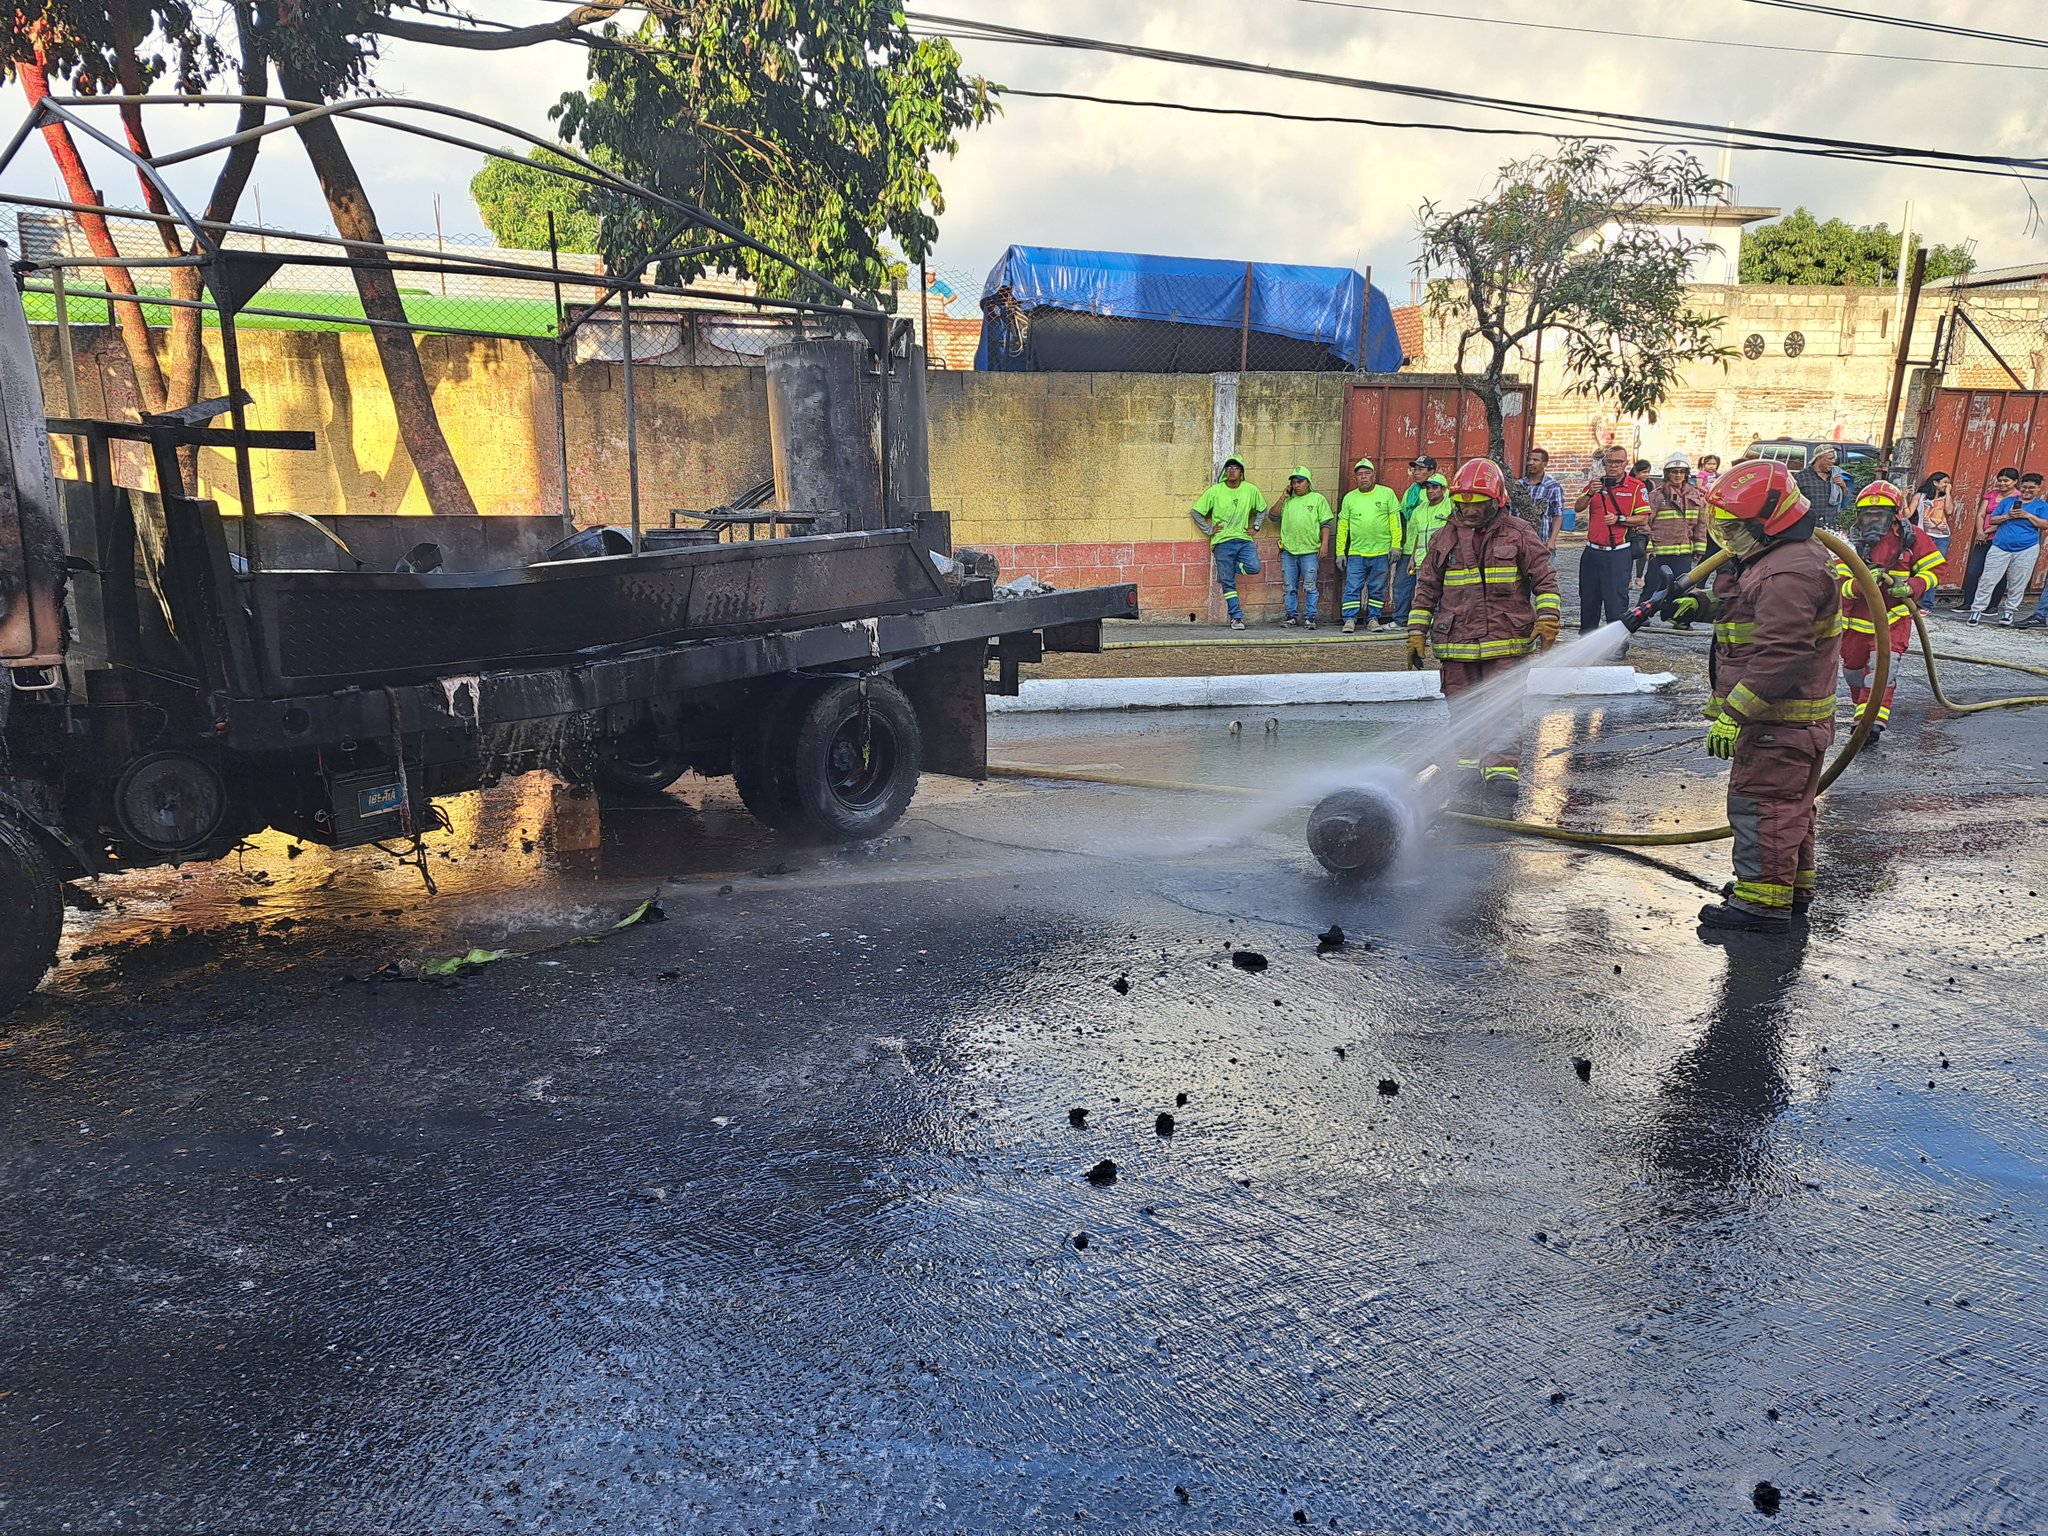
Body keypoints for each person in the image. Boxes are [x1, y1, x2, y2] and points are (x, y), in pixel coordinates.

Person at [1657, 460, 1842, 932]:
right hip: (1783, 720)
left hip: (1779, 720)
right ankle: (1786, 890)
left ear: (1768, 523)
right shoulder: (1775, 559)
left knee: (1764, 804)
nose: (1727, 535)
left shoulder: (1789, 573)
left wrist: (1734, 713)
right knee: (1788, 806)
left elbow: (1783, 651)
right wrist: (1700, 605)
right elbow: (1751, 610)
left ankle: (1759, 906)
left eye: (1735, 527)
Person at [1405, 457, 1560, 795]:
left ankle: (1501, 770)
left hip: (1505, 641)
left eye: (1477, 506)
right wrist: (1416, 631)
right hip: (1456, 641)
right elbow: (1427, 587)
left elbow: (1544, 580)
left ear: (1496, 501)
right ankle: (1467, 766)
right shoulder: (1445, 536)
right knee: (1462, 707)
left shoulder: (1519, 533)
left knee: (1503, 708)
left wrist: (1548, 618)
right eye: (1462, 505)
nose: (1469, 512)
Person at [1834, 480, 1943, 739]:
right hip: (1856, 623)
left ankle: (1870, 722)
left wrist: (1914, 586)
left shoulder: (1912, 538)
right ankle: (1863, 711)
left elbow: (1936, 569)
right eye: (1867, 513)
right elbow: (1837, 581)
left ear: (1894, 514)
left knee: (1883, 669)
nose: (1873, 518)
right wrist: (1862, 585)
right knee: (1854, 673)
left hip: (1893, 619)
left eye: (1879, 513)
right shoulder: (1849, 540)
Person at [1573, 444, 1649, 630]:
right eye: (1609, 462)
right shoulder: (1596, 483)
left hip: (1617, 553)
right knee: (1589, 599)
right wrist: (1591, 492)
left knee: (1616, 601)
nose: (1613, 466)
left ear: (1626, 463)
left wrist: (1619, 519)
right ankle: (1587, 642)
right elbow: (1578, 507)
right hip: (1592, 551)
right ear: (1604, 463)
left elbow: (1643, 518)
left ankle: (1616, 645)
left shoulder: (1636, 487)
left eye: (1618, 462)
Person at [1190, 454, 1268, 631]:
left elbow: (1262, 509)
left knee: (1254, 566)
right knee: (1228, 583)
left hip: (1243, 539)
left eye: (1235, 468)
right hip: (1222, 542)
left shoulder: (1250, 490)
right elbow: (1196, 512)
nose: (1231, 471)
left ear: (1241, 472)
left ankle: (1228, 570)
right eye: (1229, 468)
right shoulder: (1215, 491)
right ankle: (1236, 617)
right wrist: (1209, 530)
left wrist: (1256, 526)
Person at [1335, 457, 1402, 632]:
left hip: (1381, 552)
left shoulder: (1386, 494)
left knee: (1377, 589)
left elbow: (1395, 522)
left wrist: (1396, 545)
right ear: (1355, 478)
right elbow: (1343, 527)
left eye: (1367, 473)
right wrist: (1340, 552)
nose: (1363, 477)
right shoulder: (1350, 498)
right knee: (1352, 587)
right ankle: (1349, 620)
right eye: (1359, 474)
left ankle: (1373, 619)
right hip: (1357, 552)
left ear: (1374, 475)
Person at [1974, 471, 2048, 627]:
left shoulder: (2041, 506)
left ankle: (2009, 612)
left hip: (2027, 548)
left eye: (2032, 488)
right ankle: (1976, 610)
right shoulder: (2008, 502)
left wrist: (2027, 515)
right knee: (1988, 578)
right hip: (2000, 545)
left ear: (2038, 489)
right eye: (2025, 487)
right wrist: (2008, 516)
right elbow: (1993, 519)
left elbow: (2045, 524)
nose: (2027, 490)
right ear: (2020, 486)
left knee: (2018, 581)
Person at [1272, 465, 1333, 629]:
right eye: (1293, 482)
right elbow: (1273, 516)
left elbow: (1326, 524)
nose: (1296, 485)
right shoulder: (1288, 501)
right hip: (1288, 551)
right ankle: (1291, 616)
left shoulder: (1317, 499)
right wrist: (1282, 498)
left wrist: (1324, 544)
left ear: (1308, 483)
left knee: (1310, 586)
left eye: (1300, 482)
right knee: (1289, 586)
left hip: (1310, 552)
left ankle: (1310, 617)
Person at [1644, 454, 1709, 602]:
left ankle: (1680, 621)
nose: (1678, 475)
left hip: (1684, 551)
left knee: (1682, 589)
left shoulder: (1695, 495)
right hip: (1660, 552)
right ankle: (1641, 617)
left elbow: (1701, 524)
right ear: (1667, 473)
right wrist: (1649, 548)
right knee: (1652, 588)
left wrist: (1699, 548)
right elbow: (1645, 523)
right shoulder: (1656, 496)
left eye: (1681, 471)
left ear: (1686, 473)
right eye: (1674, 471)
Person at [1393, 471, 1450, 624]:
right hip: (1421, 560)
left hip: (1441, 560)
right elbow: (1417, 536)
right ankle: (1423, 623)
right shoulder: (1419, 510)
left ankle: (1439, 623)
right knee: (1423, 593)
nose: (1431, 491)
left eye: (1435, 488)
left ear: (1443, 489)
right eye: (1428, 488)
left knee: (1442, 592)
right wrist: (1412, 558)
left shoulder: (1450, 506)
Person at [1961, 467, 2020, 611]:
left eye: (2006, 481)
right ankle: (1968, 602)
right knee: (1973, 571)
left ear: (2015, 481)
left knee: (1999, 573)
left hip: (2001, 539)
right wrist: (1980, 532)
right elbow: (1981, 514)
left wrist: (1987, 532)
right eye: (2000, 480)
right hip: (1983, 538)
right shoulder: (1992, 494)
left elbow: (2009, 519)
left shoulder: (2018, 497)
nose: (2002, 483)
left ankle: (1992, 606)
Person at [1911, 472, 1953, 613]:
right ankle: (1913, 601)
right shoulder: (1920, 496)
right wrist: (1904, 499)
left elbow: (1949, 510)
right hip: (1924, 536)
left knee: (1934, 571)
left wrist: (1948, 493)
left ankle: (1926, 604)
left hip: (1942, 537)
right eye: (1944, 482)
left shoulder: (1945, 497)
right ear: (1935, 483)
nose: (1946, 485)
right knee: (1916, 568)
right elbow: (1908, 514)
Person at [1519, 447, 1564, 549]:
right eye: (1529, 459)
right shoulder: (1519, 485)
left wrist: (1552, 540)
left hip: (1542, 542)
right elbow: (1512, 513)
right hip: (1520, 541)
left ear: (1544, 464)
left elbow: (1557, 515)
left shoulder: (1553, 487)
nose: (1531, 463)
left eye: (1536, 460)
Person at [1794, 444, 1849, 525]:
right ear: (1819, 458)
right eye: (1830, 458)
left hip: (1832, 526)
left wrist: (1843, 487)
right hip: (1810, 527)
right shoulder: (1801, 477)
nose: (1833, 461)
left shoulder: (1836, 475)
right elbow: (1794, 502)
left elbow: (1846, 500)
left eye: (1834, 458)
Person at [1628, 458, 1655, 591]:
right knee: (1627, 553)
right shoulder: (1629, 483)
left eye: (1648, 472)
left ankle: (1639, 576)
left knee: (1642, 551)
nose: (1646, 475)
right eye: (1643, 472)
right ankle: (1627, 578)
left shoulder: (1650, 485)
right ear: (1636, 472)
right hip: (1630, 521)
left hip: (1645, 522)